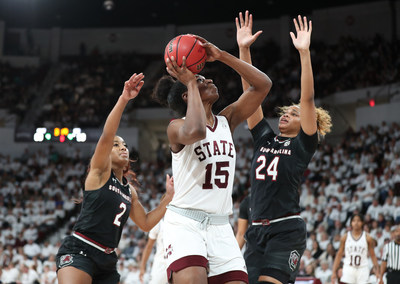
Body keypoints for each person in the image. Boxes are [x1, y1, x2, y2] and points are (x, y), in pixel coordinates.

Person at [152, 31, 272, 283]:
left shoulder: (226, 120)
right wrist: (191, 81)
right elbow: (196, 131)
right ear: (187, 94)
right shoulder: (176, 127)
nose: (210, 80)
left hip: (220, 226)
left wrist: (222, 55)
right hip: (185, 223)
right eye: (203, 80)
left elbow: (263, 85)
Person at [236, 11, 332, 283]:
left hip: (285, 230)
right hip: (255, 232)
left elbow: (308, 99)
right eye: (285, 111)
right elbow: (249, 97)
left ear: (307, 123)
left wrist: (304, 54)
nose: (286, 114)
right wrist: (244, 50)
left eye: (294, 112)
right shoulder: (265, 138)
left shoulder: (304, 143)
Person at [56, 73, 175, 284]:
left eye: (125, 145)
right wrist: (124, 99)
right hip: (80, 249)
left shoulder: (130, 191)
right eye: (116, 145)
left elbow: (146, 224)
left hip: (108, 259)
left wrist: (168, 197)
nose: (122, 148)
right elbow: (107, 135)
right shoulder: (99, 173)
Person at [331, 214, 380, 284]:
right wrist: (333, 272)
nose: (356, 223)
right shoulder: (345, 237)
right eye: (354, 221)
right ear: (351, 223)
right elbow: (338, 255)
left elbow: (373, 256)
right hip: (349, 268)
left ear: (362, 222)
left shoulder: (368, 237)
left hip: (362, 268)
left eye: (358, 221)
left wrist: (377, 272)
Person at [139, 218, 167, 284]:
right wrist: (142, 267)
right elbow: (149, 247)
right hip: (161, 262)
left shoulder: (180, 221)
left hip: (176, 260)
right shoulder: (159, 224)